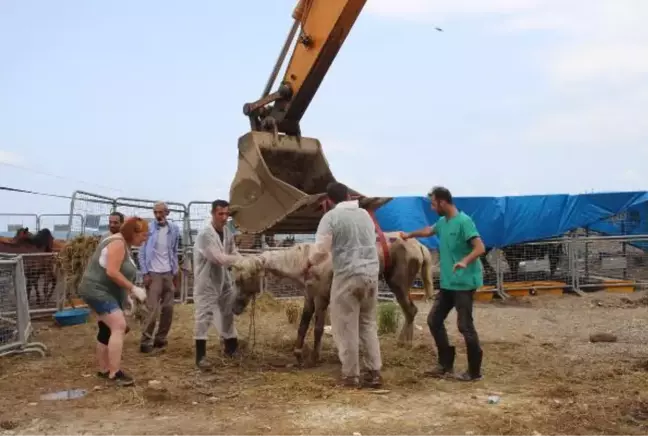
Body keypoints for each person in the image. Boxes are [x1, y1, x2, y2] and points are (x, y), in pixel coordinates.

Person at [400, 186, 486, 381]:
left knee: (465, 326)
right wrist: (410, 235)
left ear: (442, 202)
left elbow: (480, 247)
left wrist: (464, 261)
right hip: (448, 283)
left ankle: (474, 372)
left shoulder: (464, 222)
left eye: (433, 203)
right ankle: (445, 364)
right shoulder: (442, 221)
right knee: (434, 320)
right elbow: (429, 230)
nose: (431, 207)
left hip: (464, 283)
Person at [307, 182, 383, 388]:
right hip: (371, 276)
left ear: (329, 200)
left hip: (348, 277)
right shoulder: (366, 215)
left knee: (345, 326)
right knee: (367, 324)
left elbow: (321, 250)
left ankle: (351, 376)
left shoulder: (331, 218)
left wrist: (309, 262)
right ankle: (375, 372)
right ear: (349, 195)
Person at [78, 216, 149, 387]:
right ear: (134, 232)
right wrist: (133, 288)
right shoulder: (117, 243)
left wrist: (125, 299)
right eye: (143, 235)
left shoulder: (124, 245)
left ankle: (104, 369)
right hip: (97, 290)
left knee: (106, 328)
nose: (145, 238)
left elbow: (118, 275)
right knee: (119, 326)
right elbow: (112, 272)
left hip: (104, 291)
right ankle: (114, 373)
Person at [193, 199, 242, 369]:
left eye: (226, 214)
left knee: (228, 311)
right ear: (213, 214)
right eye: (220, 214)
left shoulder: (227, 231)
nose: (223, 217)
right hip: (207, 281)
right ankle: (200, 356)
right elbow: (218, 258)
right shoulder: (205, 234)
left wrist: (242, 259)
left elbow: (232, 251)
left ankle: (231, 348)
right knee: (204, 315)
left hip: (224, 279)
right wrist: (242, 262)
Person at [137, 201, 181, 354]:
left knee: (168, 309)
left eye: (161, 212)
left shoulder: (174, 229)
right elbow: (142, 253)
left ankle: (160, 339)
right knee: (152, 310)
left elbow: (174, 251)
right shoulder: (148, 229)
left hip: (168, 273)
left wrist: (175, 271)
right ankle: (145, 341)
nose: (158, 215)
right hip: (153, 274)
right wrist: (145, 273)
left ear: (167, 213)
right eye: (155, 212)